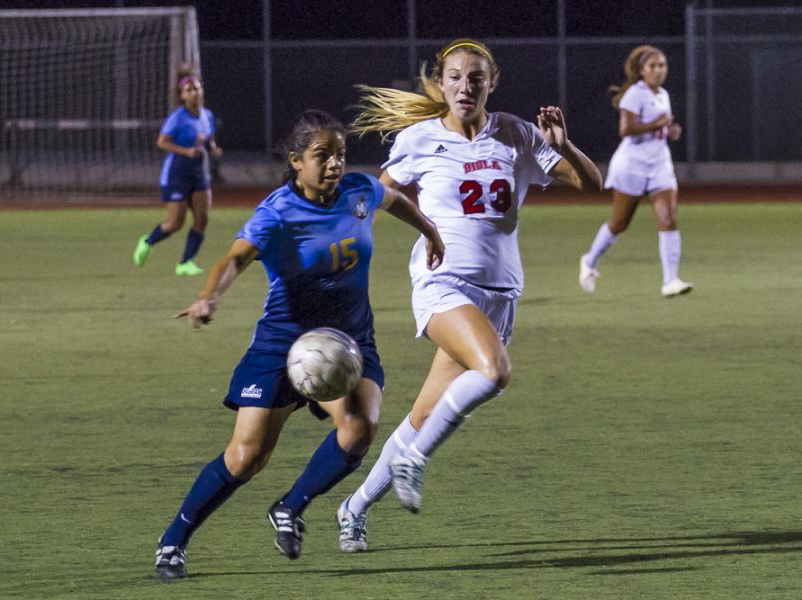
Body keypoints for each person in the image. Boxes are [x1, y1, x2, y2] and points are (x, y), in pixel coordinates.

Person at [335, 38, 602, 552]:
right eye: (454, 77)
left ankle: (354, 508)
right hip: (443, 284)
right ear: (441, 82)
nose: (464, 86)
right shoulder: (419, 140)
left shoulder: (517, 133)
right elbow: (380, 191)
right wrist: (350, 228)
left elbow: (591, 184)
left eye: (475, 77)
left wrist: (563, 145)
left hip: (499, 296)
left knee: (421, 417)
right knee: (495, 372)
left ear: (491, 83)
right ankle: (416, 461)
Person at [153, 109, 444, 580]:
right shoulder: (278, 213)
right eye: (322, 155)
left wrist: (430, 231)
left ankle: (291, 507)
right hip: (284, 344)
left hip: (350, 340)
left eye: (340, 155)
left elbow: (395, 199)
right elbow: (236, 257)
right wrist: (208, 296)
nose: (334, 164)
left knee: (360, 427)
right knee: (246, 457)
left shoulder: (358, 191)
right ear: (296, 160)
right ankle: (174, 540)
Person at [578, 45, 693, 297]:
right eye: (653, 66)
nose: (659, 70)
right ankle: (589, 261)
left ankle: (671, 280)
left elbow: (658, 129)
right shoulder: (634, 94)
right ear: (641, 70)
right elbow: (626, 129)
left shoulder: (663, 94)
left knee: (668, 217)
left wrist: (669, 131)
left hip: (659, 164)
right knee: (619, 222)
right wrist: (657, 124)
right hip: (632, 166)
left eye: (662, 65)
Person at [133, 67, 223, 276]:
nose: (193, 93)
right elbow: (162, 142)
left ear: (202, 91)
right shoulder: (178, 117)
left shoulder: (207, 115)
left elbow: (208, 137)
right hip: (177, 172)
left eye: (196, 89)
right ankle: (147, 242)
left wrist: (213, 148)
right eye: (189, 90)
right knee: (175, 223)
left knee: (202, 219)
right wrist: (186, 150)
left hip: (198, 172)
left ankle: (185, 263)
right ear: (182, 96)